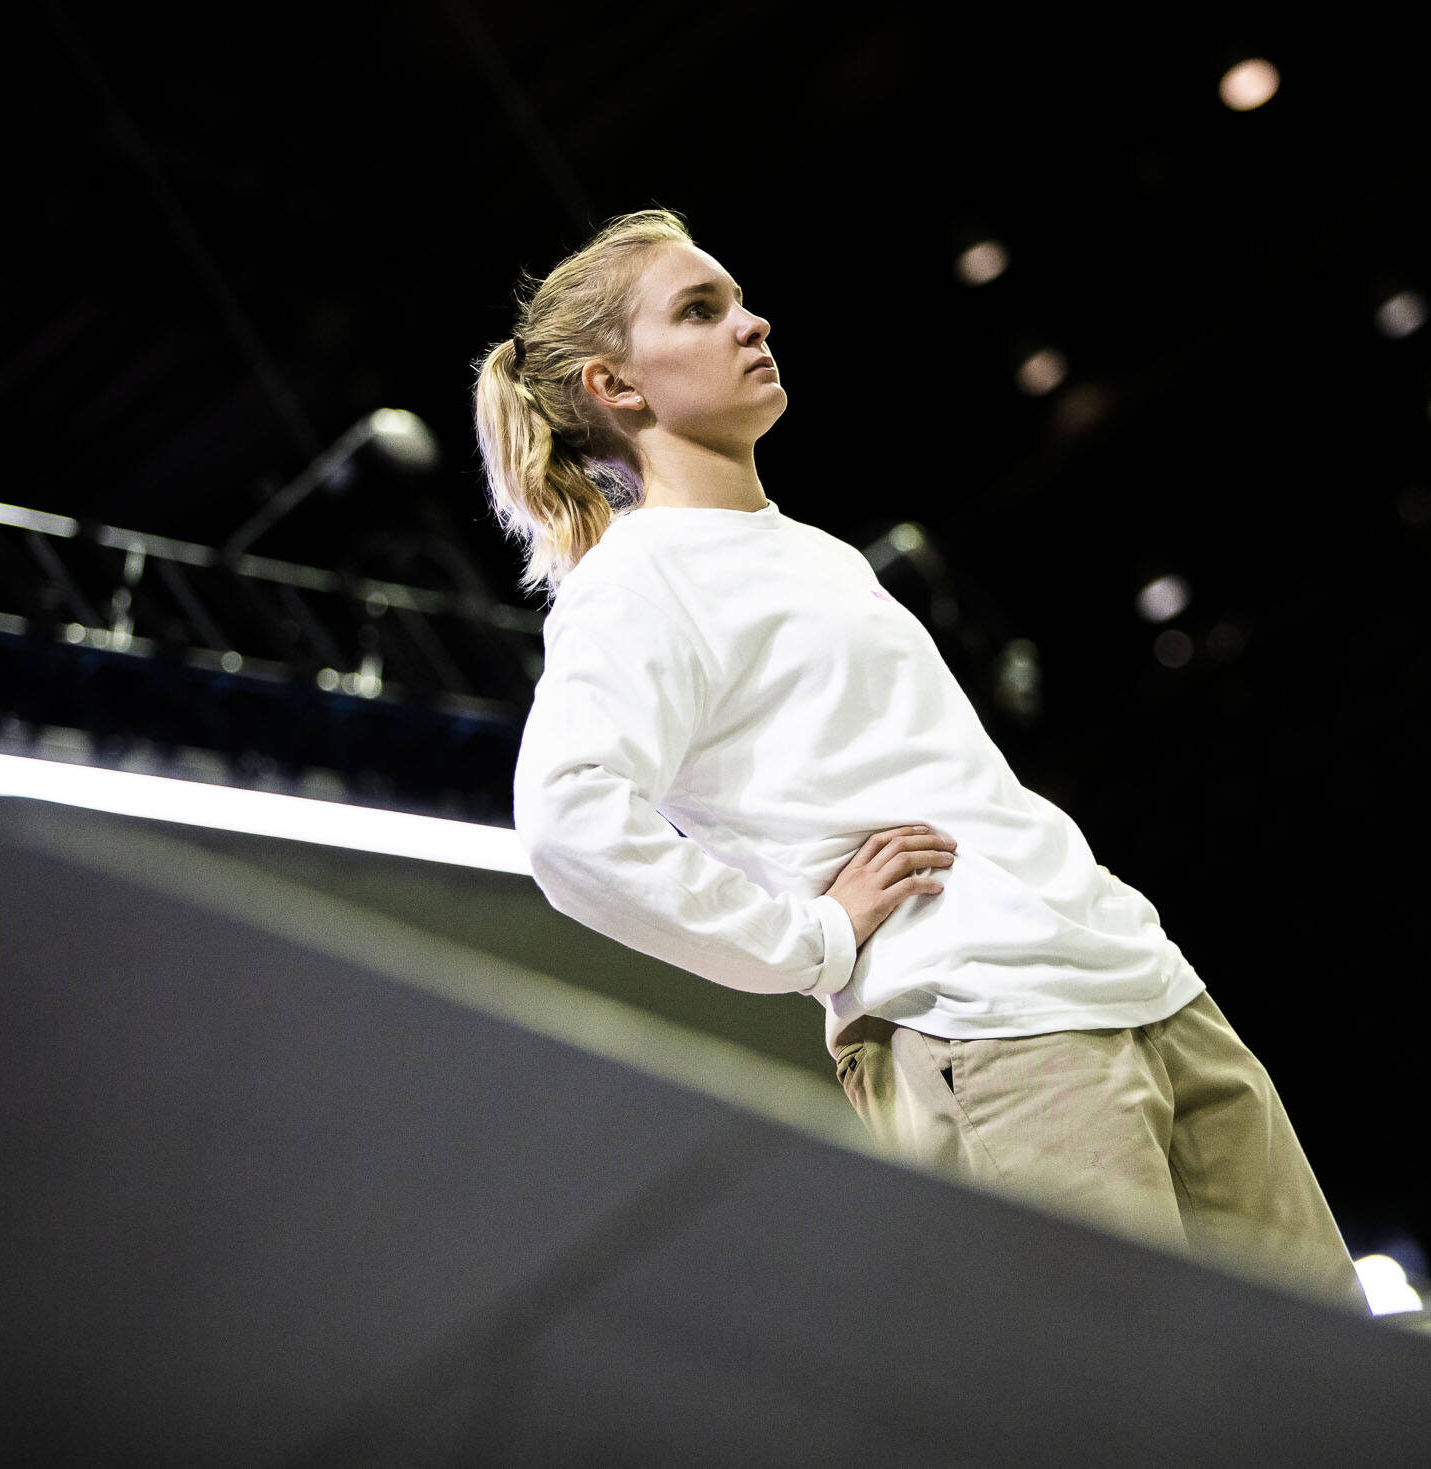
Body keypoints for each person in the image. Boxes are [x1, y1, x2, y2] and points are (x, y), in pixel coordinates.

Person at [473, 208, 1367, 1313]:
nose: (751, 323)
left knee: (1338, 1385)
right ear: (617, 385)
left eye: (739, 298)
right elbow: (566, 821)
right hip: (981, 1029)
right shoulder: (634, 580)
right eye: (700, 311)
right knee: (1134, 1410)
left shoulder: (814, 550)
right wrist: (805, 938)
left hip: (1138, 978)